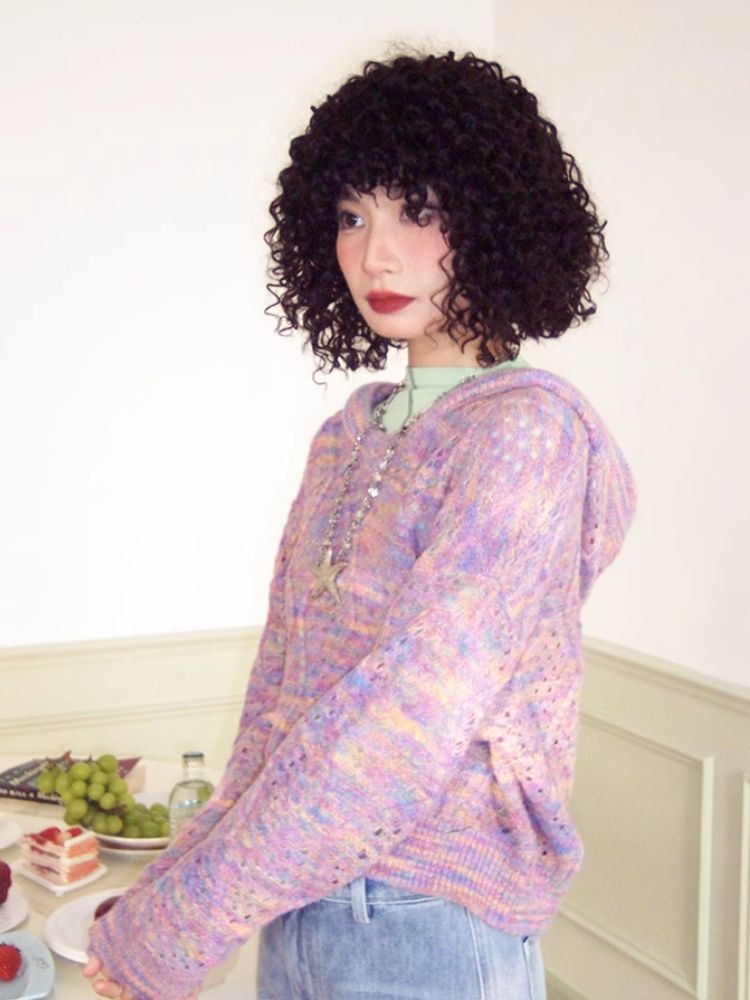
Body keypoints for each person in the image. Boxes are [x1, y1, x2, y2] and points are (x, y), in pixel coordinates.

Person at [84, 50, 636, 1000]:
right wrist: (175, 887)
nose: (375, 254)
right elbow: (277, 700)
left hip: (427, 923)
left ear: (497, 217)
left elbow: (410, 719)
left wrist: (185, 923)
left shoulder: (526, 433)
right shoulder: (347, 436)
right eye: (350, 217)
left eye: (417, 211)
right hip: (295, 903)